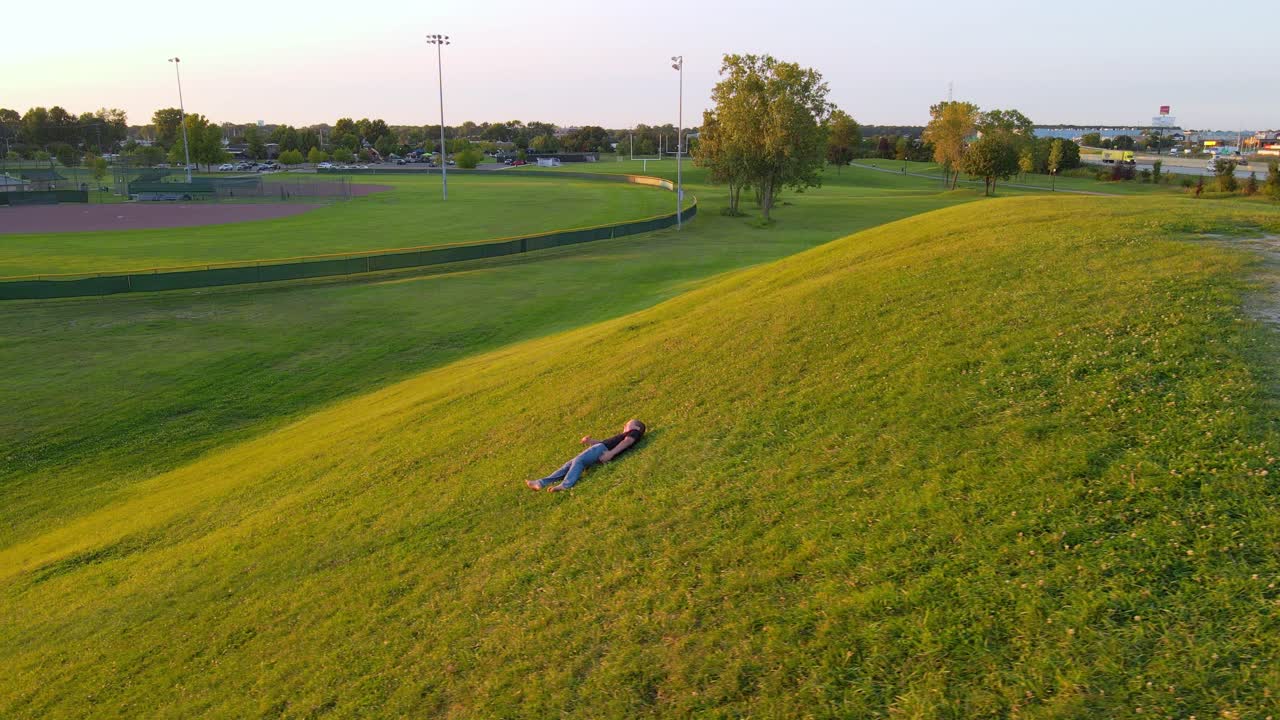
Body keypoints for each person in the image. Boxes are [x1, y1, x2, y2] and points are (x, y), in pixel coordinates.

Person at [526, 419, 647, 492]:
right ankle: (541, 483)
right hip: (600, 447)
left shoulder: (634, 432)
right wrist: (590, 441)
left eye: (627, 424)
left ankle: (566, 485)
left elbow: (627, 442)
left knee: (579, 461)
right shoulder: (623, 435)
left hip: (602, 450)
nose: (624, 426)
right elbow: (602, 443)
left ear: (636, 427)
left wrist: (611, 453)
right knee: (568, 465)